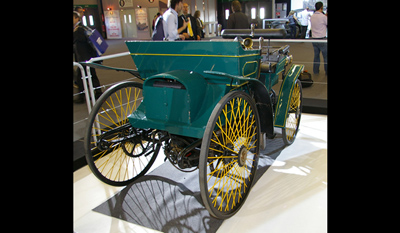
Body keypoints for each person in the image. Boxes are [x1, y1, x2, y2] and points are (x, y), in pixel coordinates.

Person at [73, 11, 102, 103]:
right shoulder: (83, 27)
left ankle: (82, 97)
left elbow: (78, 42)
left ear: (77, 18)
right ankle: (98, 92)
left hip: (84, 57)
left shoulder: (79, 30)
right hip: (88, 57)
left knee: (80, 77)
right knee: (92, 75)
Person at [310, 1, 327, 75]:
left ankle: (316, 71)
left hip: (314, 39)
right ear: (321, 7)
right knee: (326, 57)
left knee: (316, 56)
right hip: (322, 39)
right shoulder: (323, 17)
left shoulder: (312, 16)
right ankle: (327, 71)